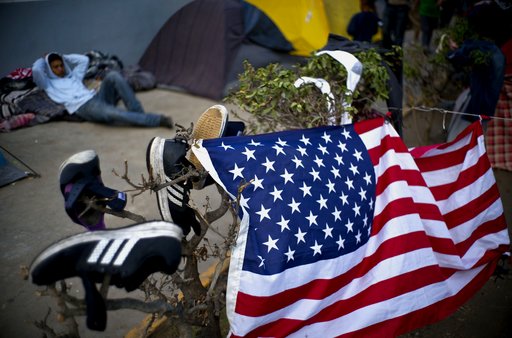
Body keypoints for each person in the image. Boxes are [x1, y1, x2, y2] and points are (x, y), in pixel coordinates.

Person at [32, 53, 174, 128]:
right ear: (49, 69)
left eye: (61, 65)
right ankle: (156, 120)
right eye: (55, 67)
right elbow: (36, 70)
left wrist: (64, 57)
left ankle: (137, 112)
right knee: (115, 113)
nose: (60, 69)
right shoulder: (48, 84)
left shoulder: (73, 76)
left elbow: (83, 60)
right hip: (83, 107)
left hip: (97, 97)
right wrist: (43, 60)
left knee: (113, 75)